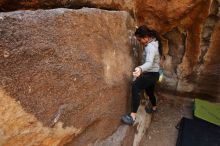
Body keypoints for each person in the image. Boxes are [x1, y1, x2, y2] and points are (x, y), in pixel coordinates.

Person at [122, 25, 163, 125]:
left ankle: (132, 116)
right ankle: (154, 107)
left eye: (140, 40)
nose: (139, 42)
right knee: (150, 92)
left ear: (145, 37)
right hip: (154, 74)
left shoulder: (150, 47)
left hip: (151, 74)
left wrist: (140, 68)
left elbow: (149, 62)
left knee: (135, 86)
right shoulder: (155, 41)